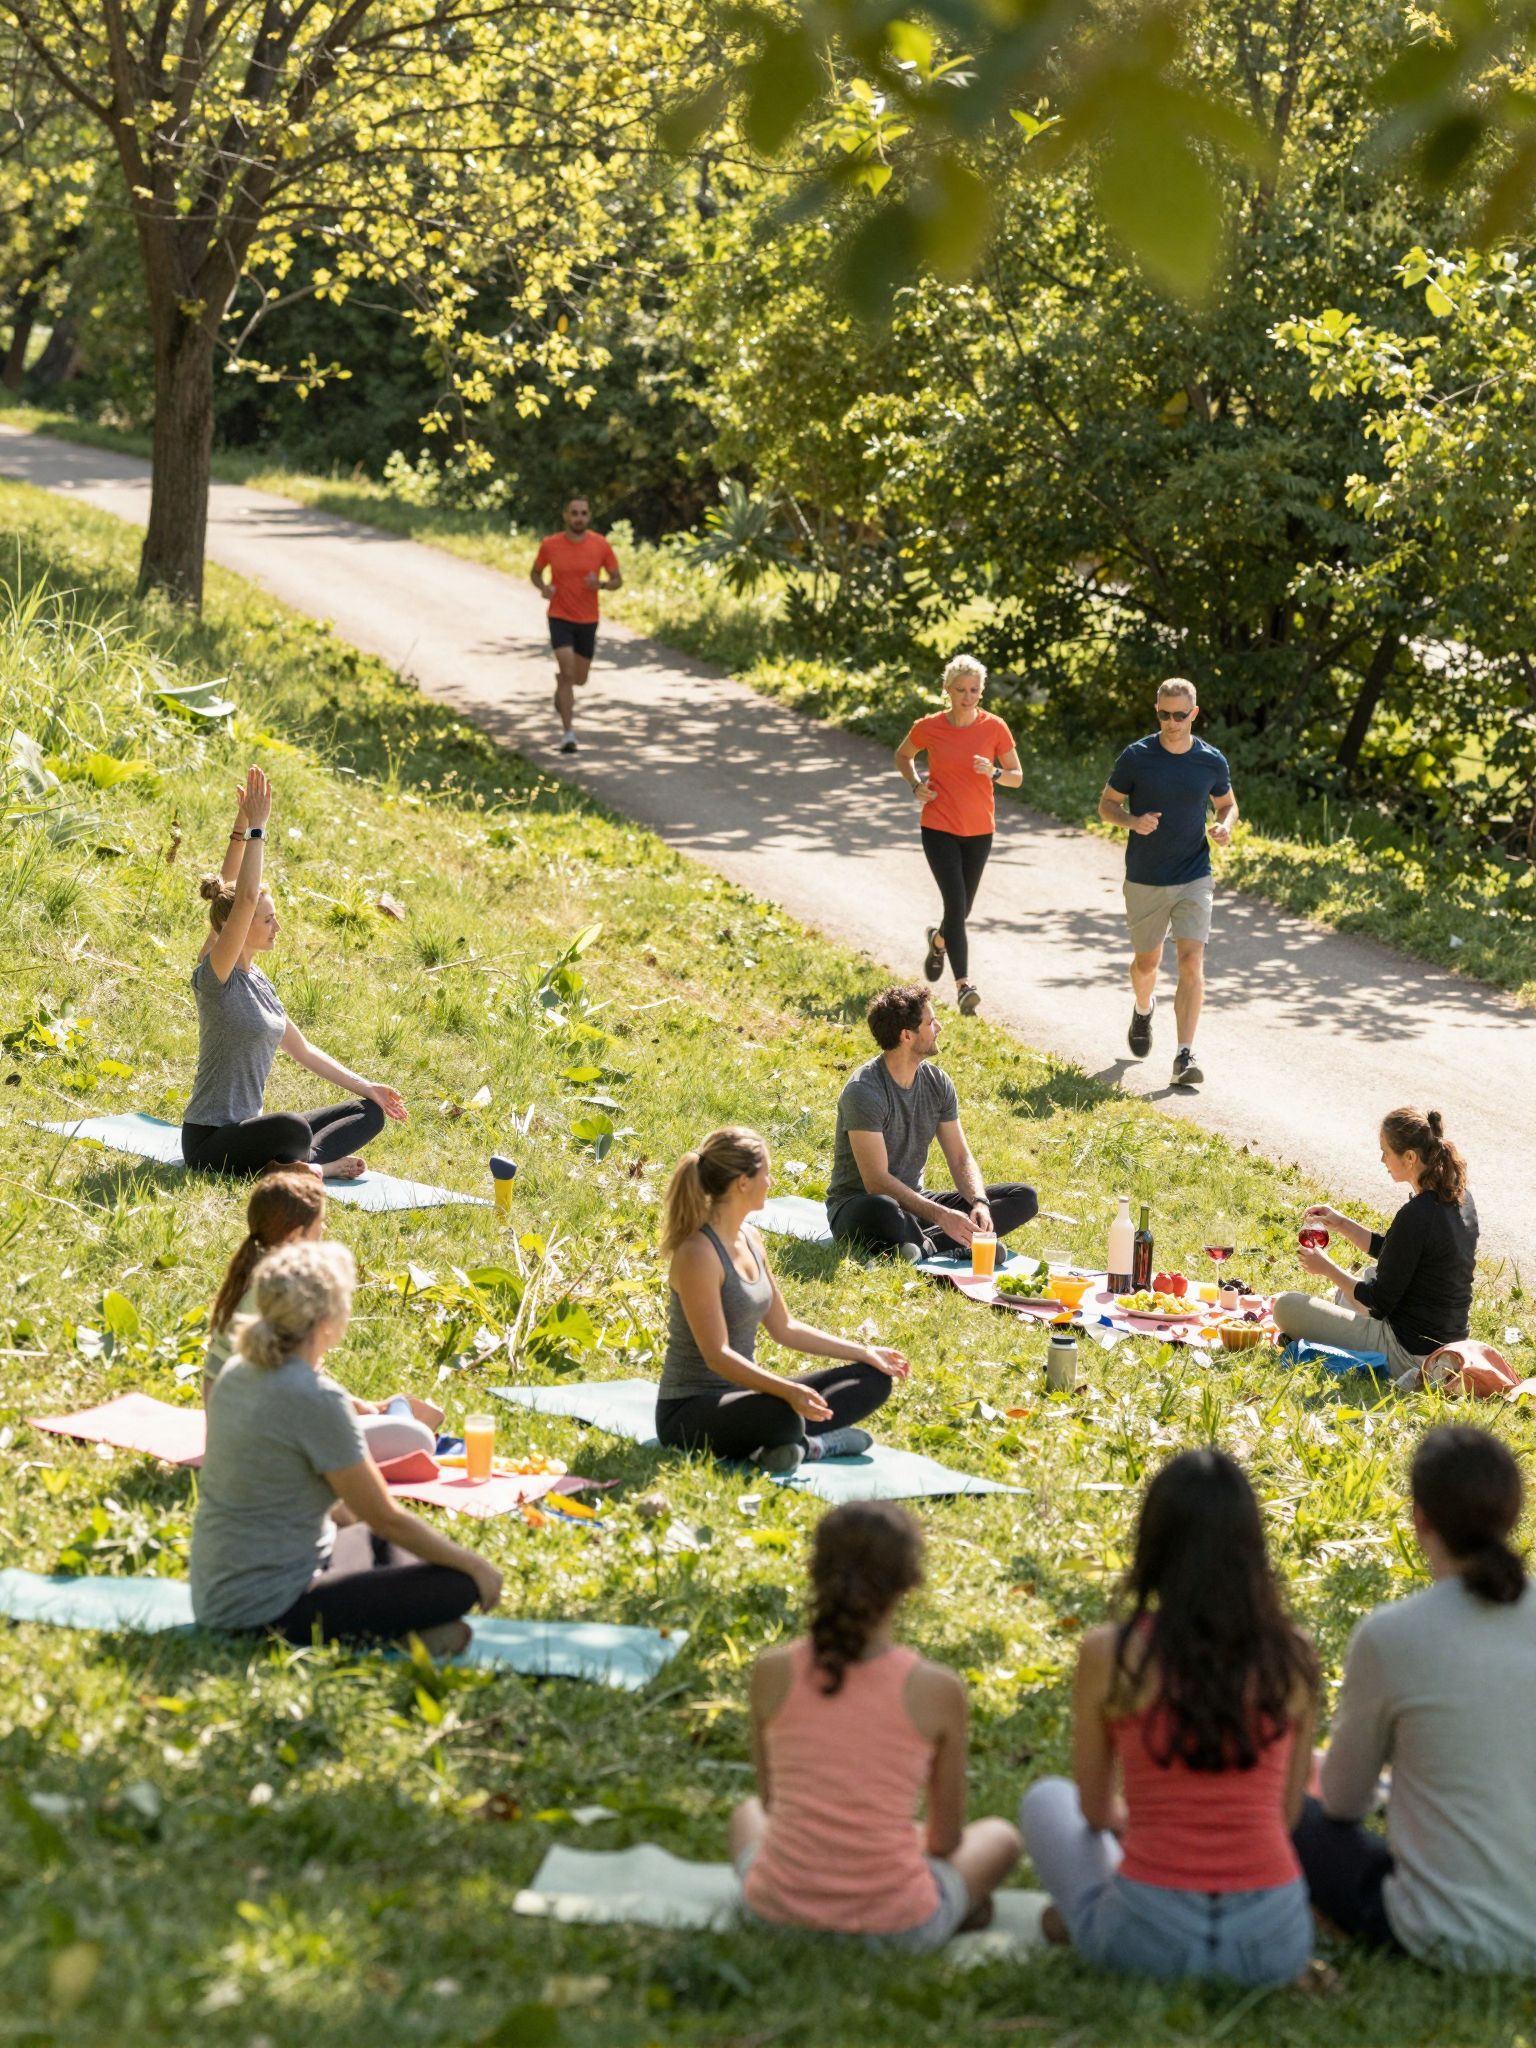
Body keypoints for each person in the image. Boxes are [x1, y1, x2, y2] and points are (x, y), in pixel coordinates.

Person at [1020, 1449, 1318, 1986]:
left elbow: (1091, 1811)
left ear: (1154, 1546)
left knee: (1047, 1800)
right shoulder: (1293, 1655)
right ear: (1252, 1549)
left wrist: (1157, 1826)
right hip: (1274, 1945)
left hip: (1146, 1938)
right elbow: (1287, 1818)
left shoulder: (1112, 1652)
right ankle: (1087, 1916)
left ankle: (1084, 1919)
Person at [1294, 1426, 1536, 1971]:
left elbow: (1342, 1803)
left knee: (1286, 1806)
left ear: (1419, 1517)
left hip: (1442, 1933)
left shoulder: (1393, 1636)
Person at [731, 1501, 1022, 1948]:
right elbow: (945, 1841)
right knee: (1001, 1837)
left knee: (745, 1813)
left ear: (814, 1572)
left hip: (775, 1912)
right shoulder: (937, 1690)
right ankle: (958, 1907)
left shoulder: (772, 1672)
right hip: (899, 1925)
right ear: (910, 1584)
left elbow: (771, 1806)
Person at [191, 1241, 502, 1651]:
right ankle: (404, 1636)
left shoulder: (237, 1371)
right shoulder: (316, 1399)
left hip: (216, 1593)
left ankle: (407, 1630)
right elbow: (385, 1515)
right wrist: (477, 1566)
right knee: (459, 1584)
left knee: (383, 1541)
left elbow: (355, 1516)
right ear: (327, 1322)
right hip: (265, 1611)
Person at [181, 767, 408, 1179]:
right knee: (291, 1127)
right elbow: (243, 896)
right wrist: (259, 830)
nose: (277, 927)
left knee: (369, 1112)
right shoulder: (216, 977)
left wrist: (367, 1085)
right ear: (238, 925)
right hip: (210, 1141)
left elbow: (303, 1051)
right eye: (267, 920)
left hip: (251, 1135)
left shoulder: (260, 985)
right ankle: (313, 1166)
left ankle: (302, 1164)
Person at [659, 1127, 908, 1475]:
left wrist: (864, 1352)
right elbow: (717, 1355)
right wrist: (787, 1391)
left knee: (874, 1379)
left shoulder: (751, 1238)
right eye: (765, 1174)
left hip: (748, 1397)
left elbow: (785, 1328)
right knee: (785, 1415)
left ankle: (781, 1446)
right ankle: (815, 1445)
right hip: (689, 1411)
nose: (771, 1182)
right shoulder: (698, 1254)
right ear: (743, 1182)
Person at [202, 1167, 442, 1462]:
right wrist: (353, 1410)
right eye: (320, 1225)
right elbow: (297, 1391)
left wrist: (356, 1407)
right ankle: (398, 1410)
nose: (324, 1232)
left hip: (239, 1427)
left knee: (409, 1422)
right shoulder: (282, 1290)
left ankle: (394, 1411)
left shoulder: (258, 1269)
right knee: (417, 1438)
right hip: (263, 1437)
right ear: (295, 1235)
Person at [825, 985, 1037, 1261]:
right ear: (906, 1035)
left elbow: (960, 1158)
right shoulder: (864, 1090)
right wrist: (940, 1215)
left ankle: (926, 1246)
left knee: (1023, 1197)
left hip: (915, 1204)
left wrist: (979, 1202)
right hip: (861, 1206)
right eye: (930, 1022)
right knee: (884, 1209)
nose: (939, 1026)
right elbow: (876, 1181)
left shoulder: (937, 1083)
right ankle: (954, 1243)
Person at [1098, 678, 1238, 1089]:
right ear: (1157, 710)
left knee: (1192, 960)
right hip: (1145, 876)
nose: (1172, 722)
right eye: (1164, 714)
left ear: (1194, 714)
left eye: (1180, 715)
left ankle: (1184, 1054)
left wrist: (1225, 826)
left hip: (1194, 873)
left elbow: (1227, 804)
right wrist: (1131, 821)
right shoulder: (1137, 756)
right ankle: (1144, 1008)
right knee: (1147, 964)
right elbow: (1107, 804)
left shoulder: (1210, 760)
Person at [1273, 1106, 1478, 1386]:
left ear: (1409, 1157)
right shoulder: (1459, 1199)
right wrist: (1341, 1223)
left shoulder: (1417, 1214)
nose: (1382, 1159)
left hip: (1407, 1352)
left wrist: (1326, 1268)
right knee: (1366, 1277)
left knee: (1285, 1306)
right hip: (1448, 1345)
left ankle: (1351, 1348)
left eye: (1386, 1151)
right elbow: (1400, 1255)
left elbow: (1379, 1302)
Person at [894, 653, 1022, 1017]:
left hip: (980, 830)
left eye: (974, 690)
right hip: (938, 826)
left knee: (961, 909)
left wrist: (994, 772)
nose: (968, 697)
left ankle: (938, 941)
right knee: (955, 903)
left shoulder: (994, 727)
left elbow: (1017, 775)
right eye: (961, 689)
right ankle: (964, 985)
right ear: (947, 690)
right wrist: (915, 784)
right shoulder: (929, 726)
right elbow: (903, 755)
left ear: (981, 692)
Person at [529, 494, 622, 754]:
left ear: (588, 516)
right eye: (574, 513)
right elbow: (535, 572)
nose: (578, 518)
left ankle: (563, 689)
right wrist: (544, 588)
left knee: (579, 679)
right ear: (565, 516)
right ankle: (568, 734)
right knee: (567, 671)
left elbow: (617, 580)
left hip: (588, 619)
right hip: (559, 615)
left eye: (583, 513)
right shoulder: (550, 545)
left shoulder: (600, 545)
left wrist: (601, 584)